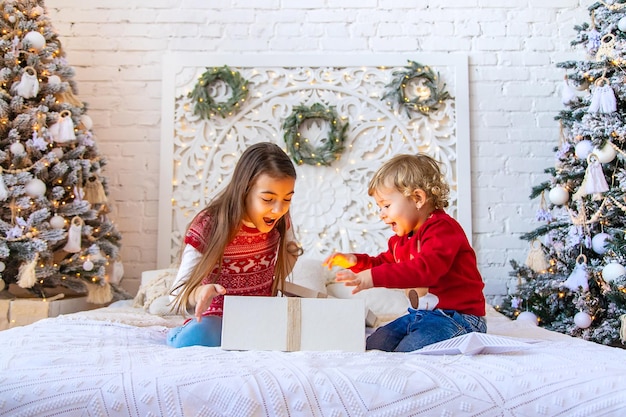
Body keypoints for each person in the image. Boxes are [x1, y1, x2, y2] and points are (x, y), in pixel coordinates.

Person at [324, 153, 486, 352]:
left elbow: (424, 270)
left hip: (458, 317)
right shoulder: (401, 240)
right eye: (379, 207)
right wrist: (356, 261)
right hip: (421, 315)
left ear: (417, 198)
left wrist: (372, 278)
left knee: (408, 351)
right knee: (376, 344)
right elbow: (385, 263)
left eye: (386, 205)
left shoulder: (442, 230)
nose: (381, 214)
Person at [167, 142, 302, 348]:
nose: (278, 209)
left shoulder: (282, 221)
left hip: (261, 314)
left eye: (287, 199)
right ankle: (180, 331)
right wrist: (199, 294)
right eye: (268, 199)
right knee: (193, 338)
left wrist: (288, 260)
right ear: (244, 190)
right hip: (220, 318)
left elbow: (289, 255)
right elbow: (177, 294)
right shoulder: (209, 224)